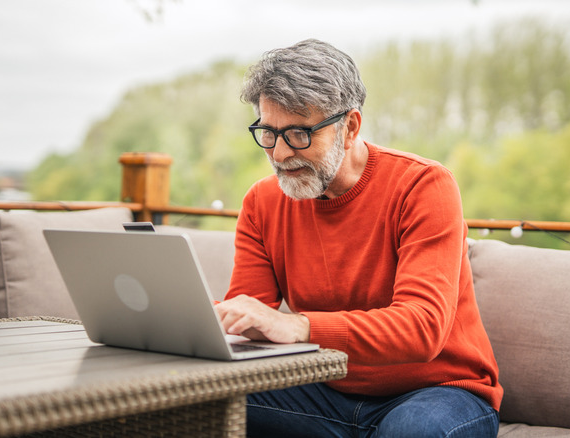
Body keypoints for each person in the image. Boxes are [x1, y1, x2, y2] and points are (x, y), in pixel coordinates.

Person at [215, 39, 502, 437]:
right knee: (201, 401)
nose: (279, 154)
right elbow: (248, 318)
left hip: (438, 392)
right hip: (325, 392)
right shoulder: (262, 203)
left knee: (412, 431)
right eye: (268, 132)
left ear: (349, 127)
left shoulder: (423, 186)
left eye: (299, 134)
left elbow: (423, 327)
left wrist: (301, 327)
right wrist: (204, 317)